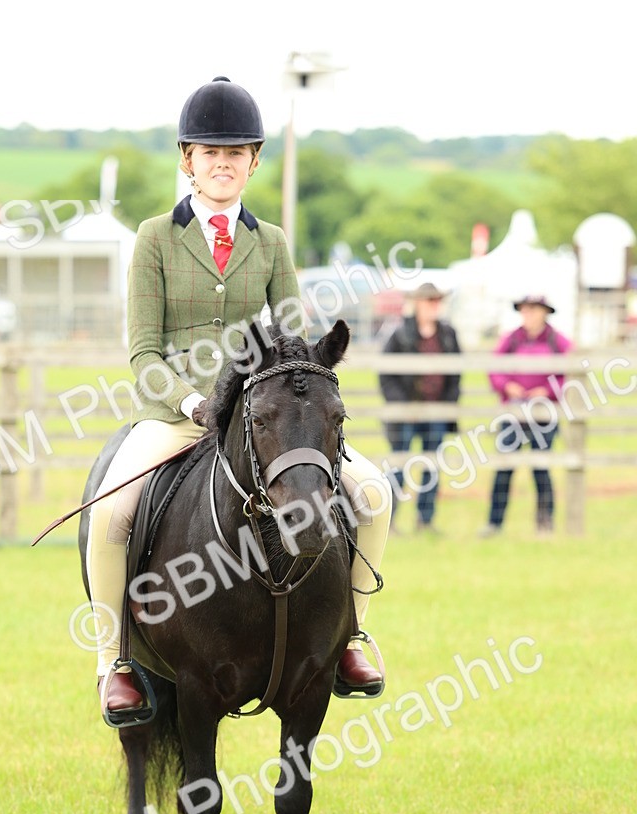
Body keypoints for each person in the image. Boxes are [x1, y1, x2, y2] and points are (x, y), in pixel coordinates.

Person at [86, 77, 393, 722]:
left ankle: (351, 636)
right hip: (179, 415)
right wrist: (196, 403)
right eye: (208, 153)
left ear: (254, 162)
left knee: (371, 494)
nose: (221, 164)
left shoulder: (272, 242)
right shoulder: (155, 238)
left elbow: (289, 340)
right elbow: (143, 354)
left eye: (235, 154)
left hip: (263, 417)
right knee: (112, 512)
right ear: (186, 160)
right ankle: (115, 661)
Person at [480, 294, 572, 536]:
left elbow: (570, 375)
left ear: (544, 312)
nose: (528, 314)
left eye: (533, 309)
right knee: (504, 467)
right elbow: (495, 369)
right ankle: (494, 523)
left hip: (543, 414)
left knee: (541, 468)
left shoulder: (557, 341)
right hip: (514, 412)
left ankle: (545, 523)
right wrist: (507, 386)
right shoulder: (511, 339)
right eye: (525, 309)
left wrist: (547, 390)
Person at [378, 282, 461, 534]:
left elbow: (455, 373)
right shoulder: (400, 333)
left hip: (435, 412)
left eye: (437, 301)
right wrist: (401, 406)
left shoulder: (447, 334)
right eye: (429, 301)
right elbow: (386, 375)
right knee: (399, 465)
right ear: (418, 304)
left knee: (432, 466)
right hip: (406, 414)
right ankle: (388, 522)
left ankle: (425, 520)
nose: (434, 306)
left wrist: (448, 404)